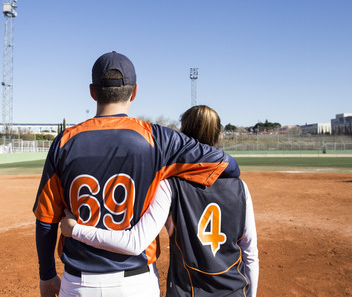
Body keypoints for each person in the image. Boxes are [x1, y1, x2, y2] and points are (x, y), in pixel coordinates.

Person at [32, 52, 241, 297]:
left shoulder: (64, 142)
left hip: (78, 284)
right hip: (136, 283)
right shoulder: (159, 139)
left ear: (92, 91)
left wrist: (46, 275)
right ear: (134, 92)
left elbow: (46, 219)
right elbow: (228, 165)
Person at [60, 105, 259, 296]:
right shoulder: (241, 187)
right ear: (219, 136)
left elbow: (135, 241)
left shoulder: (169, 185)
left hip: (187, 291)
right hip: (235, 291)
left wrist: (76, 229)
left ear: (182, 136)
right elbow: (250, 254)